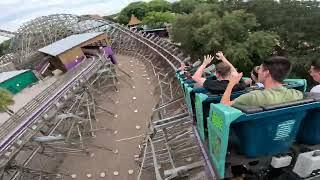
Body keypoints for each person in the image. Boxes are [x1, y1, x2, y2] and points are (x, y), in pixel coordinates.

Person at [221, 56, 303, 106]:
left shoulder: (253, 97)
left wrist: (231, 84)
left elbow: (223, 105)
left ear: (266, 73)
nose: (258, 72)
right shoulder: (296, 94)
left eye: (259, 69)